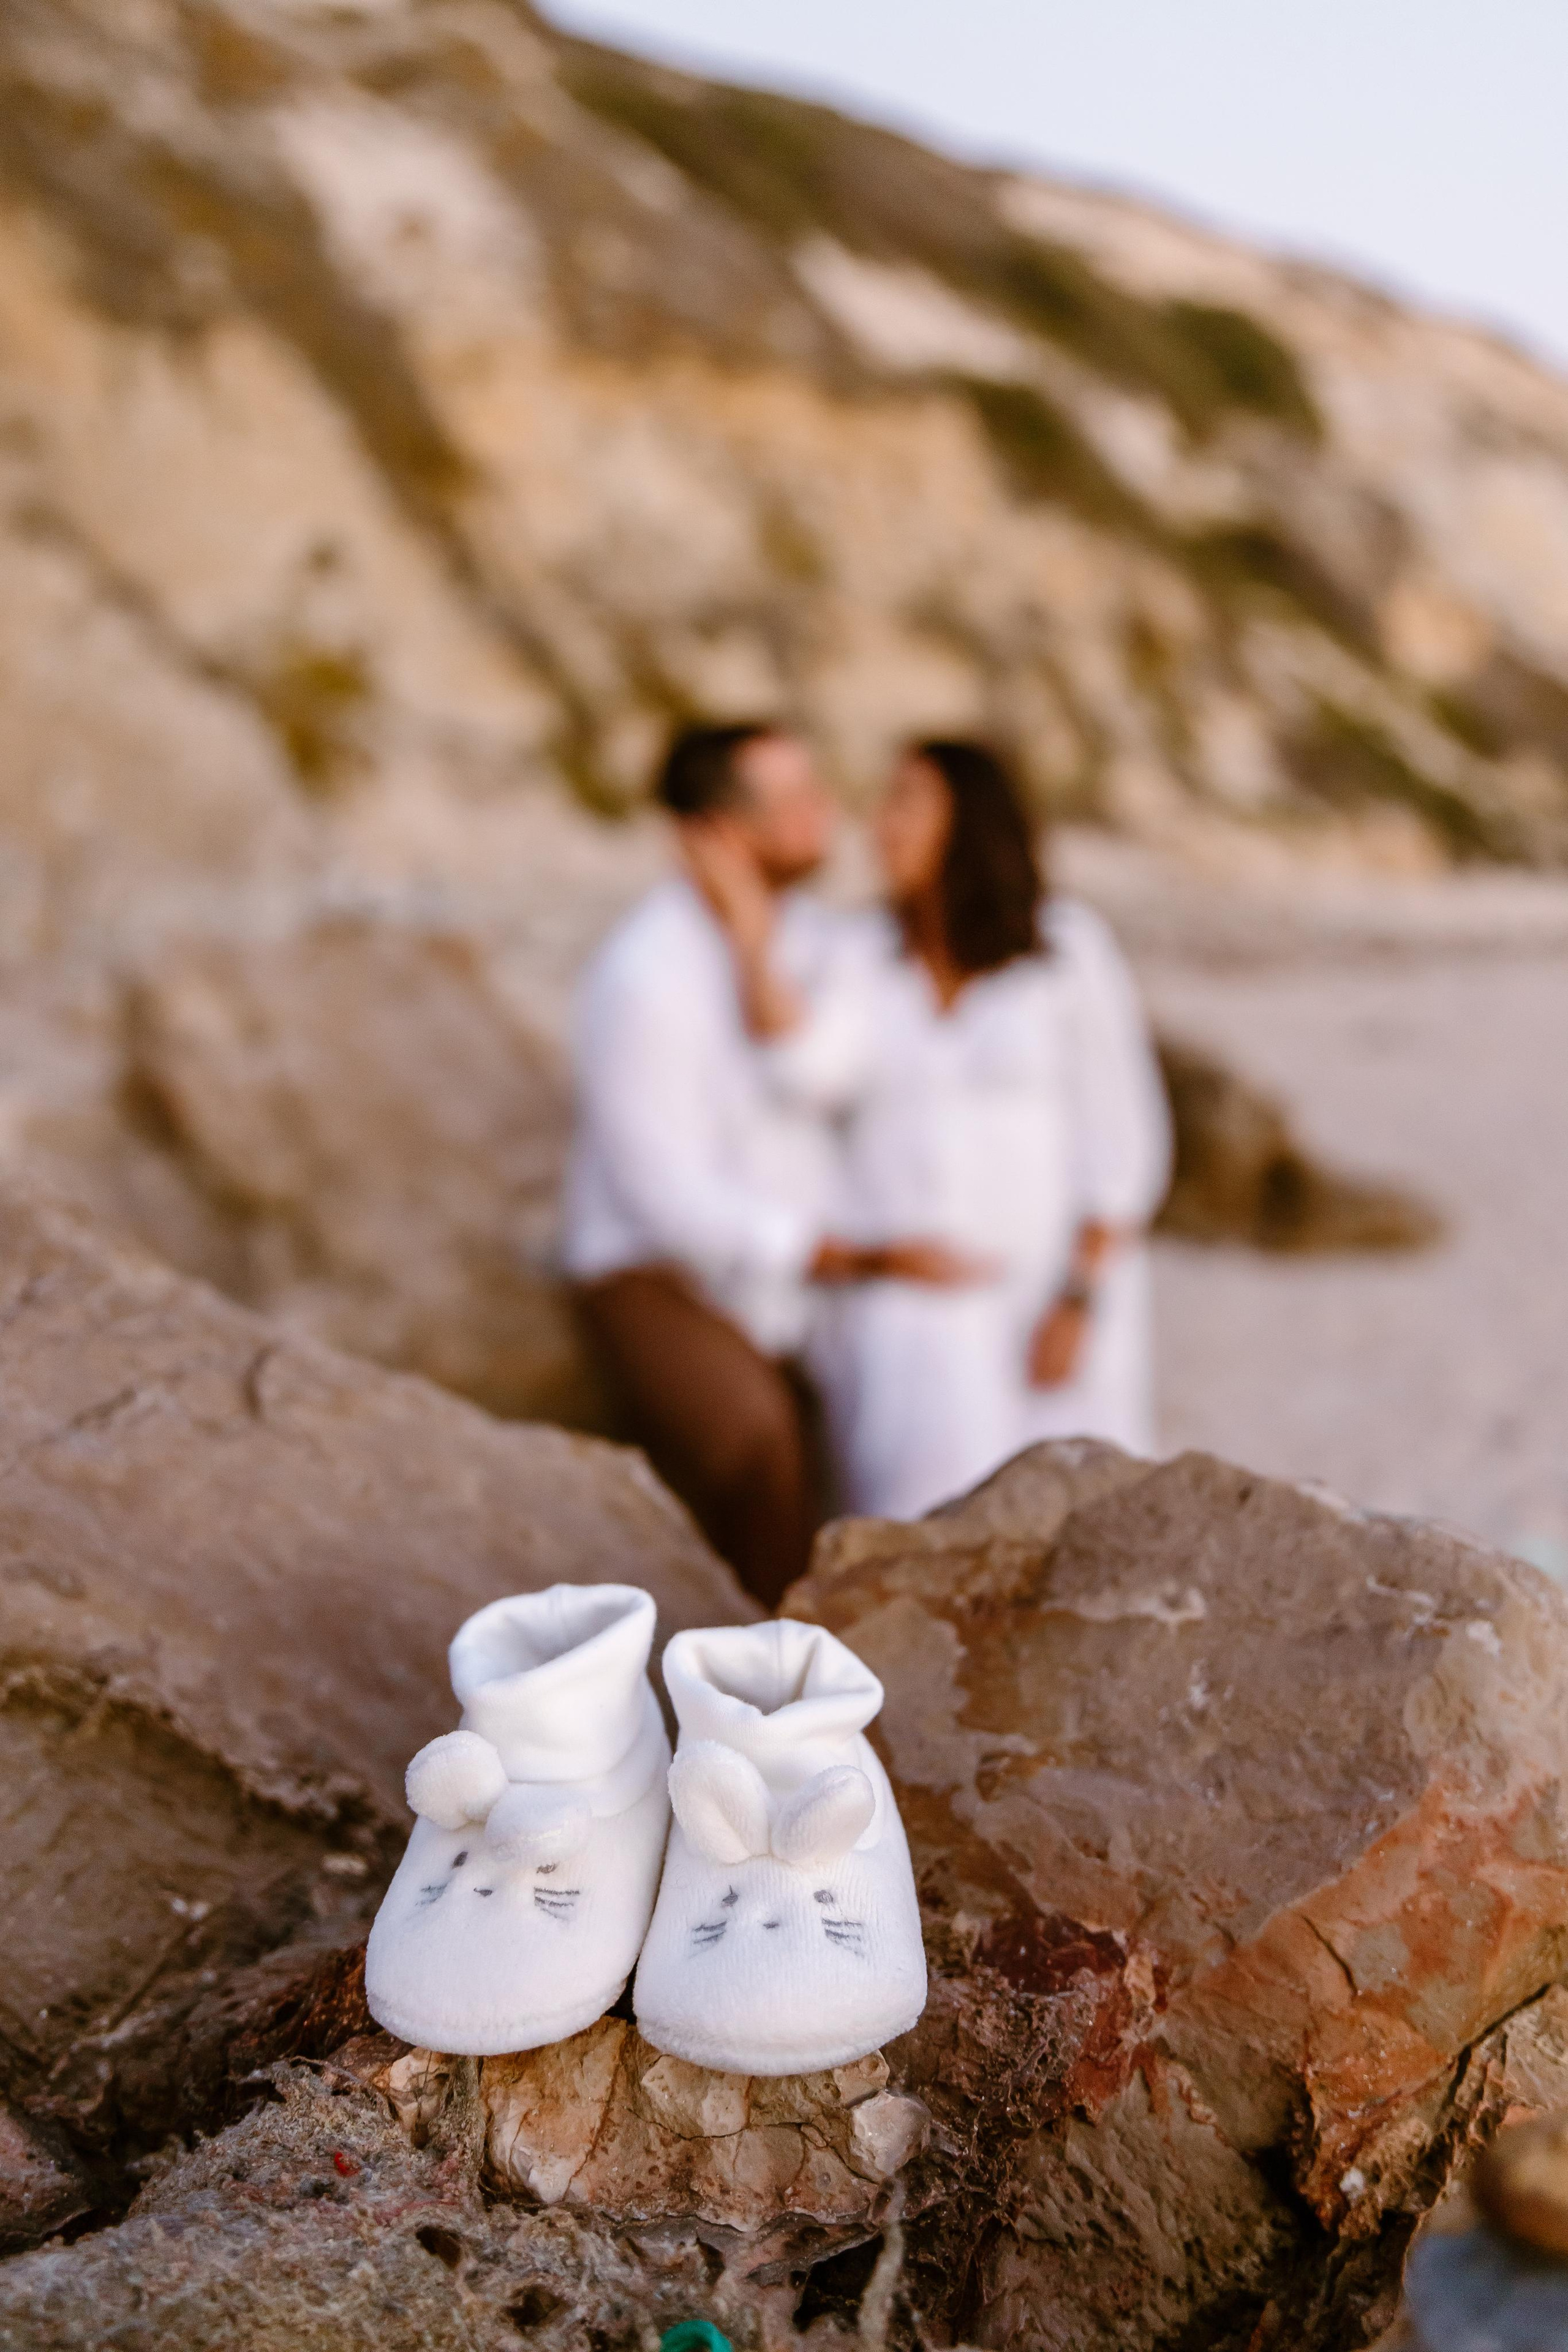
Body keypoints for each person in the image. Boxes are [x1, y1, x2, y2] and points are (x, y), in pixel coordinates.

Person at [690, 737, 1172, 1521]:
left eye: (907, 801)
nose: (882, 825)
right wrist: (749, 932)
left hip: (1053, 1290)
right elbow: (805, 1067)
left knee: (1080, 1521)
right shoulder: (866, 955)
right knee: (923, 1519)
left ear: (969, 820)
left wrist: (1078, 1295)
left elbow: (1122, 1133)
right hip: (919, 1296)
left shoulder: (1063, 949)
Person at [562, 723, 973, 1604]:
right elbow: (658, 1189)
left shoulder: (829, 944)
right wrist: (834, 1254)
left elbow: (851, 1065)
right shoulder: (645, 972)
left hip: (794, 1269)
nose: (826, 813)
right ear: (716, 832)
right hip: (653, 1269)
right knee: (758, 1440)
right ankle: (765, 1679)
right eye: (792, 802)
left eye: (816, 790)